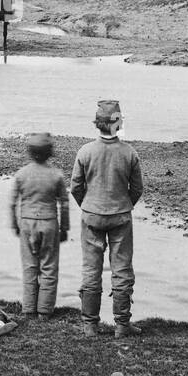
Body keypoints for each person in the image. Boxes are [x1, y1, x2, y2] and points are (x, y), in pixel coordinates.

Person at [71, 99, 143, 338]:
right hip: (120, 215)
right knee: (122, 268)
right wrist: (123, 206)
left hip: (92, 214)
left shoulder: (85, 151)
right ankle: (122, 325)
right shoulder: (129, 152)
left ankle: (90, 324)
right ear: (118, 123)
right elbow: (137, 189)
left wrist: (89, 207)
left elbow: (75, 188)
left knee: (91, 268)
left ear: (98, 124)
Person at [8, 133, 69, 318]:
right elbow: (64, 204)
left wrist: (15, 224)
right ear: (50, 153)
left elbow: (12, 203)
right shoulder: (56, 175)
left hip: (27, 222)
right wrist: (64, 228)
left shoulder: (21, 174)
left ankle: (28, 309)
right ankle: (44, 310)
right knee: (49, 267)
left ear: (30, 153)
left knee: (29, 266)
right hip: (49, 222)